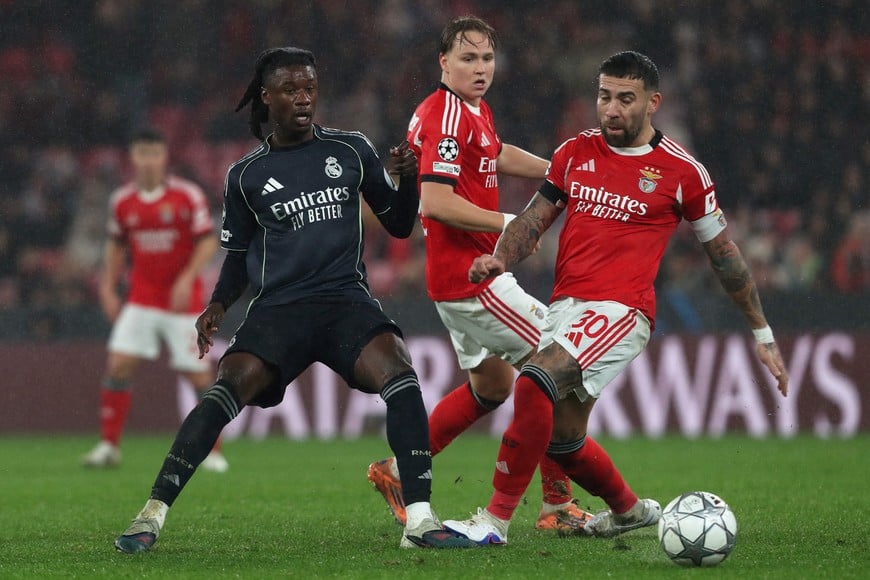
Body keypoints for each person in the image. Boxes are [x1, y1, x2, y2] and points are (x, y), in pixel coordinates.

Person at [113, 47, 477, 554]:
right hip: (280, 309)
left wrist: (409, 178)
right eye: (290, 90)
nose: (303, 99)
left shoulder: (350, 150)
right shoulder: (245, 175)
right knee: (227, 389)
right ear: (267, 97)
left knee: (399, 372)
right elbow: (237, 257)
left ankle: (419, 519)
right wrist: (218, 306)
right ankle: (151, 514)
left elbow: (396, 222)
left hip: (345, 300)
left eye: (309, 88)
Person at [443, 51, 790, 545]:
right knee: (563, 441)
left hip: (622, 311)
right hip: (566, 306)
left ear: (653, 103)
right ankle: (629, 512)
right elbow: (534, 218)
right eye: (604, 96)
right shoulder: (573, 153)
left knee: (533, 382)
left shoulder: (683, 172)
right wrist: (501, 259)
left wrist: (762, 332)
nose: (611, 109)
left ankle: (493, 523)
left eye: (626, 99)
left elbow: (725, 256)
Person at [368, 16, 629, 536]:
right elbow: (437, 202)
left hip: (456, 282)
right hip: (474, 282)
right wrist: (510, 222)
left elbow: (495, 153)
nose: (481, 68)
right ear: (443, 62)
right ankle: (557, 505)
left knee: (491, 386)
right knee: (554, 368)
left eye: (487, 58)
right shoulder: (444, 116)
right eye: (468, 59)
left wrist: (558, 170)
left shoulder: (471, 110)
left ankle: (396, 470)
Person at [81, 128, 229, 473]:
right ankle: (108, 447)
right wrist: (107, 286)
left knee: (197, 376)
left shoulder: (186, 196)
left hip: (184, 305)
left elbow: (207, 242)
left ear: (164, 157)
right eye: (142, 153)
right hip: (142, 299)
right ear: (133, 158)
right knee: (119, 365)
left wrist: (187, 277)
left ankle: (216, 450)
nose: (148, 160)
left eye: (154, 153)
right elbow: (116, 245)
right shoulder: (123, 201)